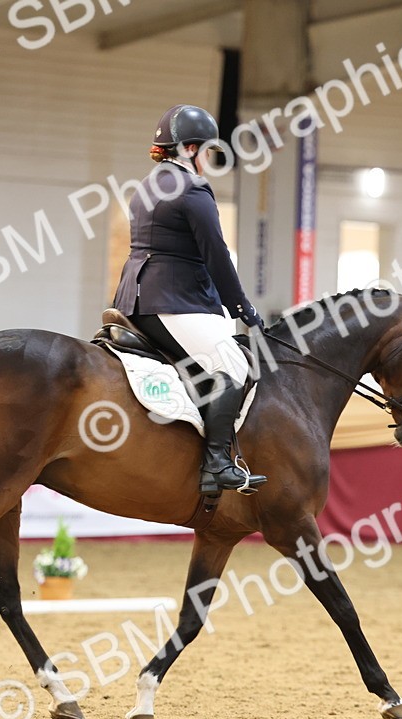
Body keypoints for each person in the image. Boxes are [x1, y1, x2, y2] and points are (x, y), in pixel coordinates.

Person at [112, 104, 267, 496]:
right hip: (173, 299)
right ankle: (216, 463)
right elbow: (216, 253)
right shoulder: (191, 189)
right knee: (233, 367)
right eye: (207, 150)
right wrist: (242, 308)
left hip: (134, 298)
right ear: (188, 149)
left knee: (206, 367)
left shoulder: (146, 186)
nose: (209, 159)